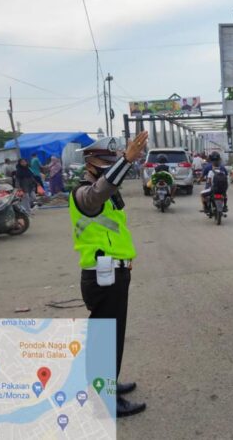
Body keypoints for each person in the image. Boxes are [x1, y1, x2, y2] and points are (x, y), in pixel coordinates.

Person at [70, 133, 149, 417]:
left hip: (114, 273)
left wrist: (125, 259)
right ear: (90, 163)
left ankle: (108, 384)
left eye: (112, 160)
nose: (109, 164)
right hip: (101, 278)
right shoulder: (82, 193)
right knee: (107, 340)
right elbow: (97, 194)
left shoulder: (106, 192)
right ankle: (106, 400)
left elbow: (113, 223)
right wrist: (126, 160)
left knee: (110, 337)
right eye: (105, 160)